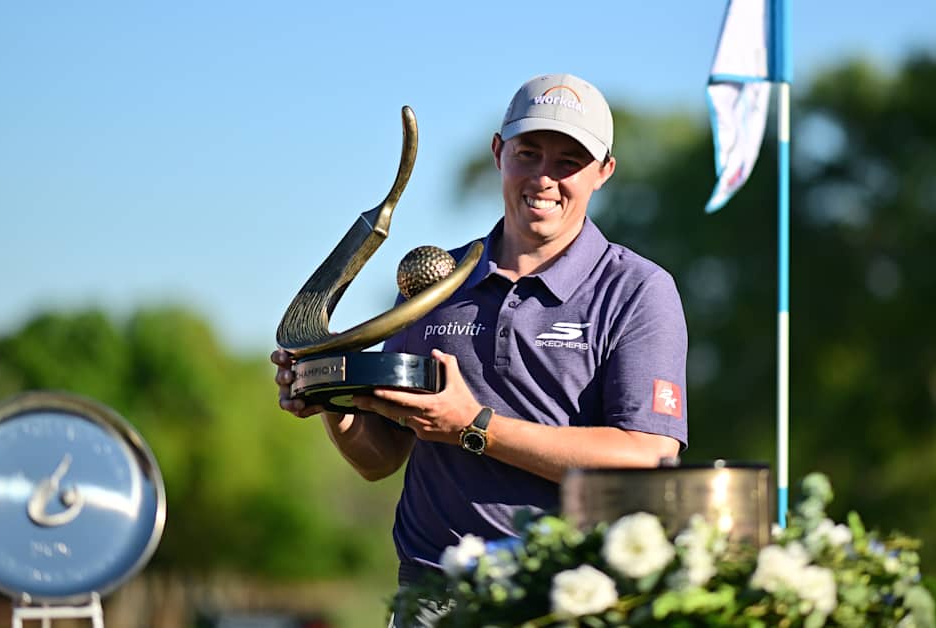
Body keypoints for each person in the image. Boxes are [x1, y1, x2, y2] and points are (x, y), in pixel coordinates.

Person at [271, 73, 689, 626]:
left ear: (604, 171)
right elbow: (381, 460)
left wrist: (476, 425)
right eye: (528, 153)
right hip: (432, 598)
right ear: (499, 152)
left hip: (565, 598)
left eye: (569, 161)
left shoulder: (636, 289)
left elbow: (647, 459)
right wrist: (333, 400)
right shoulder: (433, 286)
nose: (544, 177)